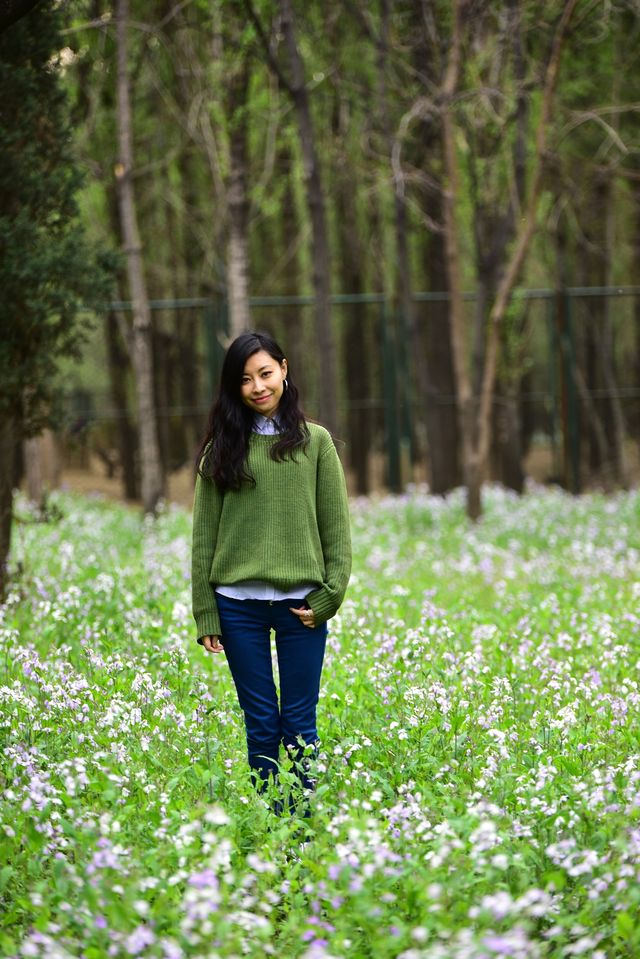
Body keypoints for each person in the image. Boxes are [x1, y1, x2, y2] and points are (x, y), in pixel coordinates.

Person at [191, 330, 351, 810]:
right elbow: (204, 541)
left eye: (265, 373)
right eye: (245, 379)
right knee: (260, 722)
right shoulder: (220, 449)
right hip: (237, 608)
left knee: (300, 722)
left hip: (301, 606)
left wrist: (329, 597)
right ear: (233, 387)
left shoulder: (317, 443)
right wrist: (206, 614)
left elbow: (337, 533)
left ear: (284, 369)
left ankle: (299, 827)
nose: (258, 386)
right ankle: (269, 820)